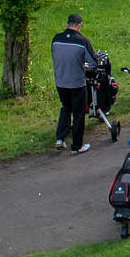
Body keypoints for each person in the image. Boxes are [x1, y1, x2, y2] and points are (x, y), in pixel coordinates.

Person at [50, 13, 96, 154]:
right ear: (79, 25)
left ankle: (60, 138)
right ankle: (76, 146)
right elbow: (93, 62)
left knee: (65, 108)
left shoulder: (56, 38)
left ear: (67, 23)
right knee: (78, 113)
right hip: (76, 83)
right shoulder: (82, 41)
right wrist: (85, 67)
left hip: (60, 81)